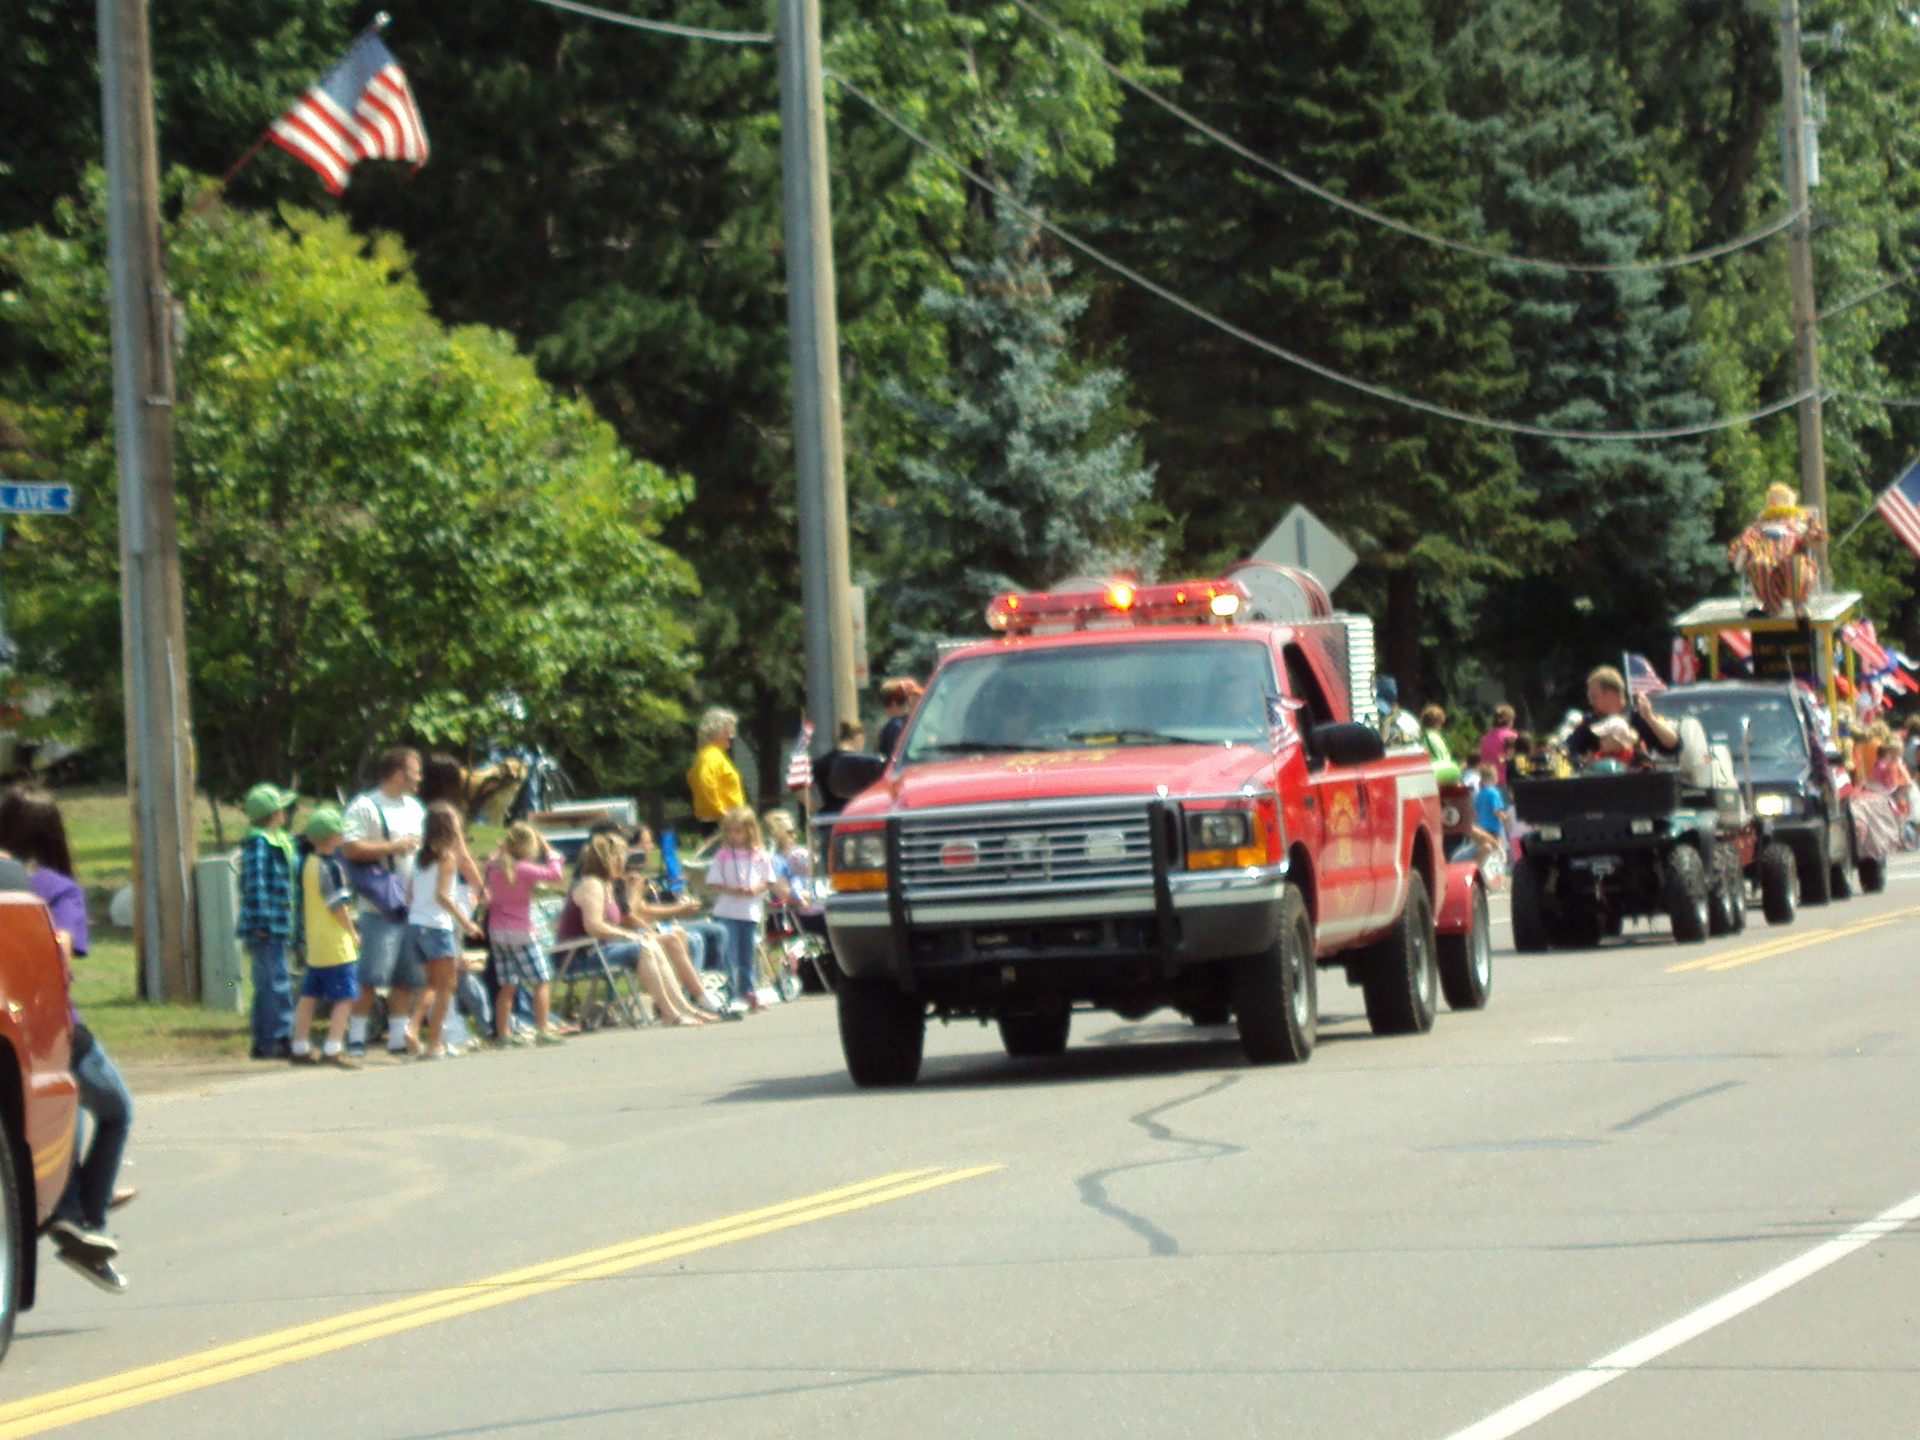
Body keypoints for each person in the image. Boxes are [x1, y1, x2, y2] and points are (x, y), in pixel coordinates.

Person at [0, 787, 132, 1291]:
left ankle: (70, 1200)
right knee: (116, 1110)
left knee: (63, 1105)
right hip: (54, 1025)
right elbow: (69, 945)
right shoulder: (54, 885)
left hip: (19, 1031)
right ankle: (84, 1215)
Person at [561, 834, 713, 1025]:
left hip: (601, 949)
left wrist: (640, 932)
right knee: (644, 947)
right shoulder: (591, 885)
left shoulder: (606, 884)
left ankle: (684, 1008)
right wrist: (628, 935)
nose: (625, 862)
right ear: (612, 859)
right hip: (578, 956)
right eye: (622, 856)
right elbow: (594, 925)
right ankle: (670, 1013)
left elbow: (628, 914)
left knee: (650, 943)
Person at [341, 746, 427, 1058]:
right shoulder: (363, 806)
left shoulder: (416, 808)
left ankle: (397, 1037)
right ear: (397, 773)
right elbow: (349, 847)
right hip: (379, 905)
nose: (419, 777)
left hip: (413, 903)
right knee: (372, 975)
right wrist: (392, 847)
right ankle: (356, 1037)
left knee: (407, 975)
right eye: (415, 770)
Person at [410, 803, 484, 1059]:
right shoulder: (447, 858)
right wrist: (466, 922)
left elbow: (409, 894)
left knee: (431, 983)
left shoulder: (418, 858)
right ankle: (432, 1042)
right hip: (437, 925)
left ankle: (416, 1029)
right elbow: (442, 895)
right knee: (446, 984)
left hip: (416, 924)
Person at [290, 806, 362, 1069]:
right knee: (346, 996)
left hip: (315, 942)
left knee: (309, 994)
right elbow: (337, 905)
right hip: (335, 942)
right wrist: (353, 932)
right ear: (333, 837)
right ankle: (333, 1046)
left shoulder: (308, 863)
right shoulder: (331, 867)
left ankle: (300, 1045)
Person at [486, 822, 567, 1045]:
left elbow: (489, 862)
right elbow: (555, 874)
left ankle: (503, 1034)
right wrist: (549, 849)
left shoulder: (494, 867)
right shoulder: (523, 869)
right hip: (520, 931)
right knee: (541, 980)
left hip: (497, 931)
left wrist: (501, 849)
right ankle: (542, 1028)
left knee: (507, 985)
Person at [236, 783, 300, 1061]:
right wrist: (261, 919)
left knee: (269, 983)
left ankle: (265, 1041)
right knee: (276, 983)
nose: (286, 812)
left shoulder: (277, 839)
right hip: (266, 925)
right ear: (273, 813)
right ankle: (278, 1037)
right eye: (282, 808)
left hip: (280, 922)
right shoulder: (259, 843)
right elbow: (255, 883)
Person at [708, 805, 777, 1013]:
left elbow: (769, 880)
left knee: (746, 954)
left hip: (749, 912)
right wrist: (731, 889)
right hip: (726, 911)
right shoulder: (723, 854)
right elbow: (713, 881)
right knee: (728, 953)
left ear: (749, 830)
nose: (733, 835)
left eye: (738, 830)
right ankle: (729, 993)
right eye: (729, 831)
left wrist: (757, 888)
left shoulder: (759, 854)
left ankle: (748, 991)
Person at [1566, 666, 1679, 764]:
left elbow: (1674, 746)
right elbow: (1568, 749)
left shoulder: (1638, 717)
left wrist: (1650, 718)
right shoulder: (1590, 723)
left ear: (1610, 694)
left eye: (1594, 697)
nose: (1591, 702)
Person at [686, 708, 745, 840]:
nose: (731, 735)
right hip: (721, 822)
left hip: (722, 820)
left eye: (732, 731)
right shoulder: (711, 756)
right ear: (713, 732)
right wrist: (721, 812)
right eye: (727, 731)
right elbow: (705, 783)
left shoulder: (709, 755)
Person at [815, 719, 868, 817]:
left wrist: (814, 807)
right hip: (853, 816)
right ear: (858, 737)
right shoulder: (861, 763)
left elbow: (798, 787)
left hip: (827, 816)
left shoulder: (822, 761)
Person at [1470, 763, 1509, 866]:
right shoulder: (1494, 793)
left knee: (1484, 851)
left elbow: (1475, 811)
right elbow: (1496, 810)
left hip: (1481, 827)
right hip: (1493, 828)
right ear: (1494, 777)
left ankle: (1478, 868)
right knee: (1497, 852)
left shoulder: (1480, 793)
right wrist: (1506, 820)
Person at [875, 678, 924, 759]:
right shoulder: (896, 726)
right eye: (917, 698)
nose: (921, 702)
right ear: (910, 701)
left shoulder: (907, 723)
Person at [1418, 706, 1462, 786]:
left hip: (1436, 770)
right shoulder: (1433, 736)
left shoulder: (1427, 736)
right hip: (1444, 769)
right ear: (1438, 722)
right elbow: (1442, 758)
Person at [1478, 705, 1518, 780]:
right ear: (1510, 721)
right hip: (1506, 779)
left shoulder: (1485, 738)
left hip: (1487, 779)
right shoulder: (1512, 736)